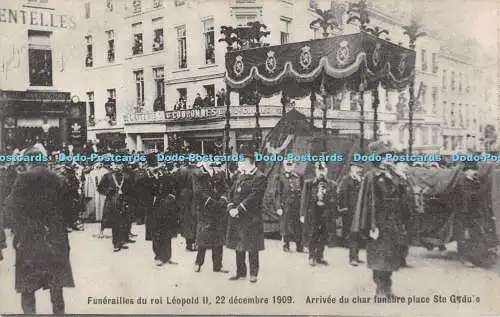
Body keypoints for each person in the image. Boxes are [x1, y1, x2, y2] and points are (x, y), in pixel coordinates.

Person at [4, 145, 74, 314]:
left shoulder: (22, 179)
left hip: (29, 240)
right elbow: (71, 212)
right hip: (55, 239)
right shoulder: (59, 179)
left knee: (28, 287)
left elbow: (10, 210)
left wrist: (20, 232)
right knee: (56, 287)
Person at [351, 140, 410, 298]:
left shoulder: (395, 176)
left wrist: (403, 179)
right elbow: (368, 204)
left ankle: (388, 289)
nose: (389, 159)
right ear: (378, 159)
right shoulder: (371, 177)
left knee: (390, 256)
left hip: (393, 222)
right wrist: (372, 226)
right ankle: (380, 291)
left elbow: (404, 197)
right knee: (379, 257)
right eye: (385, 156)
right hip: (378, 222)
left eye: (390, 156)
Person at [225, 144, 267, 283]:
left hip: (251, 218)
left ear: (248, 161)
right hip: (237, 216)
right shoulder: (240, 175)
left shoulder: (260, 176)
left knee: (252, 247)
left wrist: (239, 209)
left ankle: (253, 273)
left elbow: (255, 197)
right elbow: (231, 192)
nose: (238, 163)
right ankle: (240, 272)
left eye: (240, 161)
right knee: (239, 245)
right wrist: (231, 207)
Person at [193, 160, 230, 273]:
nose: (209, 162)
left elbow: (226, 189)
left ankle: (218, 265)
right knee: (203, 238)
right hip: (205, 210)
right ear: (203, 162)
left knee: (218, 238)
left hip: (218, 210)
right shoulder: (197, 174)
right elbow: (198, 191)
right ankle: (198, 263)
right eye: (207, 160)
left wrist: (223, 199)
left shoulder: (219, 173)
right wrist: (211, 201)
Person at [300, 162, 337, 266]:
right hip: (313, 212)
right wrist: (302, 214)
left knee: (323, 235)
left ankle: (320, 256)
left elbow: (334, 200)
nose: (321, 172)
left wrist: (329, 204)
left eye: (323, 170)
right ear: (316, 171)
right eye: (319, 170)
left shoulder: (332, 184)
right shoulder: (309, 183)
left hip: (325, 212)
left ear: (326, 171)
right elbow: (304, 199)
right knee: (313, 234)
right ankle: (311, 256)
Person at [97, 161, 133, 252]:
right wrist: (108, 192)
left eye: (119, 164)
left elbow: (131, 190)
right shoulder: (107, 176)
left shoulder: (127, 176)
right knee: (115, 222)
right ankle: (116, 243)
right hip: (112, 202)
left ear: (122, 166)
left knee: (124, 222)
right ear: (111, 166)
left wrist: (128, 199)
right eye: (114, 164)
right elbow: (100, 188)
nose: (117, 166)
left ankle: (123, 241)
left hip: (124, 201)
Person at [150, 164, 179, 266]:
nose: (160, 170)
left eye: (162, 168)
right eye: (157, 169)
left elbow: (174, 190)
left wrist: (170, 198)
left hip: (167, 208)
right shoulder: (150, 179)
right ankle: (158, 256)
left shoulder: (167, 177)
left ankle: (167, 257)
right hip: (155, 209)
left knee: (168, 233)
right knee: (157, 233)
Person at [338, 162, 364, 266]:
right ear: (352, 168)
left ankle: (356, 256)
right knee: (352, 234)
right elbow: (341, 194)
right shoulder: (346, 179)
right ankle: (352, 258)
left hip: (358, 211)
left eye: (360, 168)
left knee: (357, 234)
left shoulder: (361, 180)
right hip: (349, 211)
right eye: (357, 167)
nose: (359, 170)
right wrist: (344, 208)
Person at [275, 159, 304, 252]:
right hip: (285, 205)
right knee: (285, 225)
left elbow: (303, 191)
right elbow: (276, 193)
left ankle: (299, 244)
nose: (288, 166)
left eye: (290, 165)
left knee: (298, 225)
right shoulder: (280, 177)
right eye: (287, 165)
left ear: (294, 165)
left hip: (297, 204)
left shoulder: (299, 176)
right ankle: (286, 244)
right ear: (284, 165)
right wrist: (278, 207)